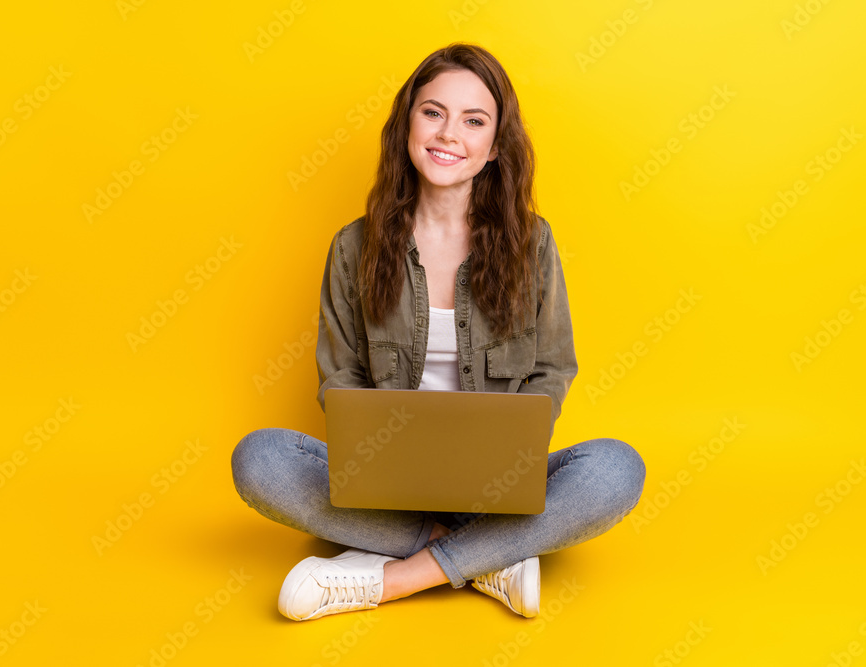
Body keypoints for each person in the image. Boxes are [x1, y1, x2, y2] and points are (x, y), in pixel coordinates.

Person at [231, 42, 646, 622]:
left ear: (495, 146)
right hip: (390, 488)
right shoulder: (354, 246)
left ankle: (397, 576)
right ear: (408, 123)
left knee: (616, 468)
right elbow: (341, 378)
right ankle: (489, 559)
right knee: (260, 459)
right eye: (433, 112)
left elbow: (552, 369)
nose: (449, 133)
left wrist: (511, 456)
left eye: (474, 121)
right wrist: (376, 461)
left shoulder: (533, 243)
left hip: (497, 490)